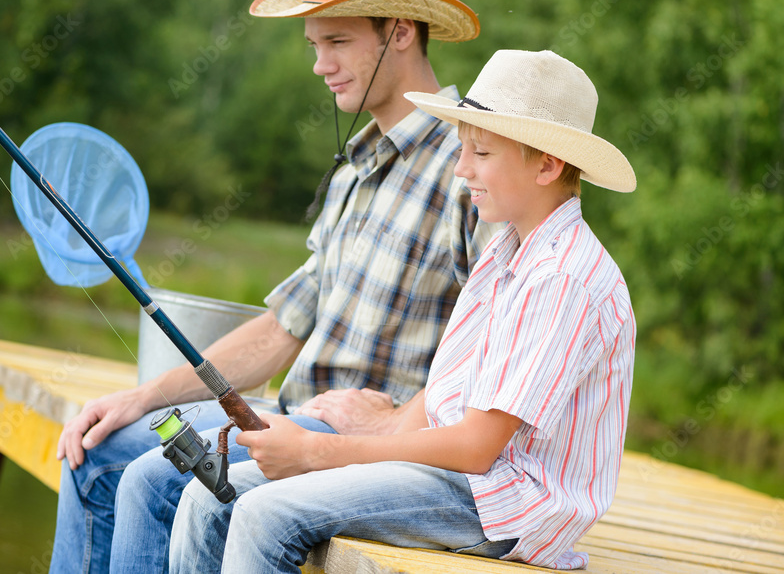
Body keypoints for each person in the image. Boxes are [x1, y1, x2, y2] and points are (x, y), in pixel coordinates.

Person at [50, 0, 493, 574]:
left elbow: (498, 338)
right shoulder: (356, 168)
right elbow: (283, 327)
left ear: (399, 31)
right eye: (315, 45)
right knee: (99, 453)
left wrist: (397, 420)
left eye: (337, 42)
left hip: (366, 446)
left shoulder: (472, 164)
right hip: (286, 414)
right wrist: (142, 397)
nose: (320, 64)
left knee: (158, 479)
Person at [169, 49, 638, 573]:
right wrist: (368, 433)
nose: (461, 170)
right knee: (212, 494)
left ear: (548, 165)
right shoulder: (510, 249)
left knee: (263, 515)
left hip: (504, 503)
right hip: (459, 479)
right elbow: (451, 392)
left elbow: (476, 448)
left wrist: (316, 453)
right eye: (462, 150)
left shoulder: (562, 276)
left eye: (480, 153)